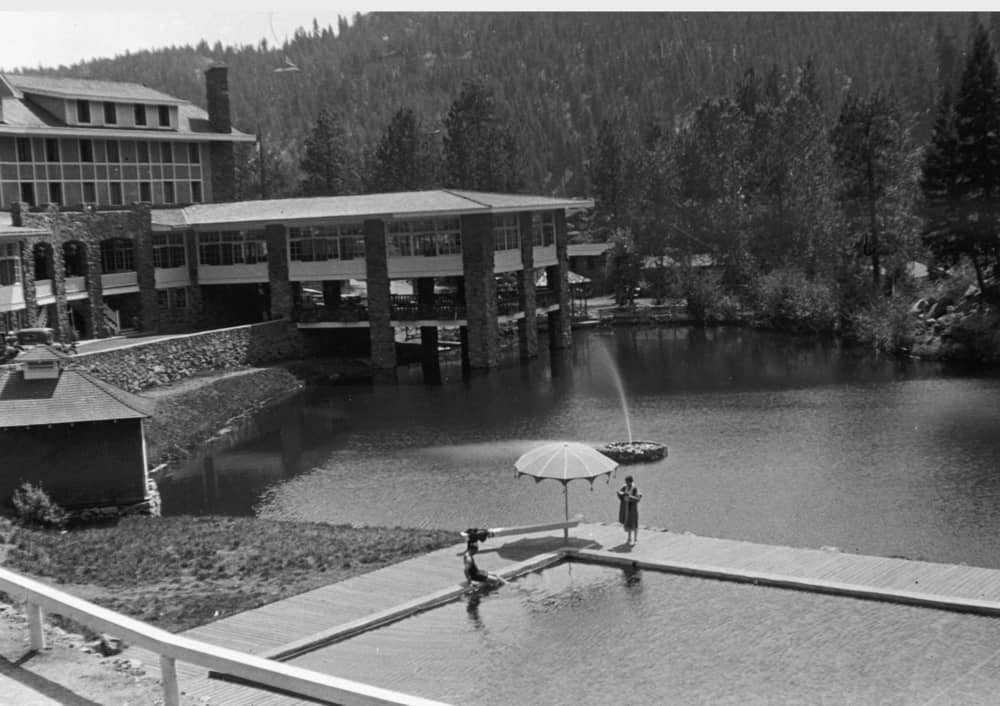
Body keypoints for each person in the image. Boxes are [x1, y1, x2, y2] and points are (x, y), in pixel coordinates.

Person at [617, 475, 642, 545]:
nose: (626, 483)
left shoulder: (635, 488)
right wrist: (619, 493)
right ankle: (629, 538)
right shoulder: (625, 487)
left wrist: (630, 496)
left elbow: (638, 498)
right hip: (626, 507)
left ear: (631, 481)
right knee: (628, 522)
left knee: (634, 522)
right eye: (626, 482)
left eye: (627, 482)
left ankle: (635, 538)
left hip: (633, 508)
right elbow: (621, 493)